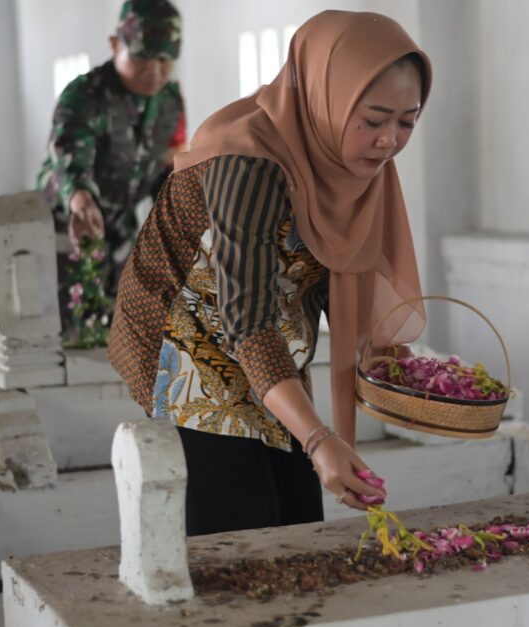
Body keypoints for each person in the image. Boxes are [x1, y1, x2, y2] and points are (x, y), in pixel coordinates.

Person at [109, 11, 431, 535]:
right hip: (189, 345)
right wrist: (317, 438)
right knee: (241, 534)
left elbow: (335, 270)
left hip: (272, 348)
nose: (389, 141)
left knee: (297, 522)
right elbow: (246, 319)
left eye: (407, 121)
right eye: (373, 120)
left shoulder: (349, 165)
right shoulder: (248, 161)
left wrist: (384, 355)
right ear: (329, 96)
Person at [38, 0, 186, 302]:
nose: (155, 71)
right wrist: (80, 200)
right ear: (115, 43)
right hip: (66, 228)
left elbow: (169, 166)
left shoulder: (170, 101)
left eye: (164, 60)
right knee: (71, 325)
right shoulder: (85, 95)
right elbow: (68, 158)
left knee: (119, 324)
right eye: (143, 58)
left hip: (121, 229)